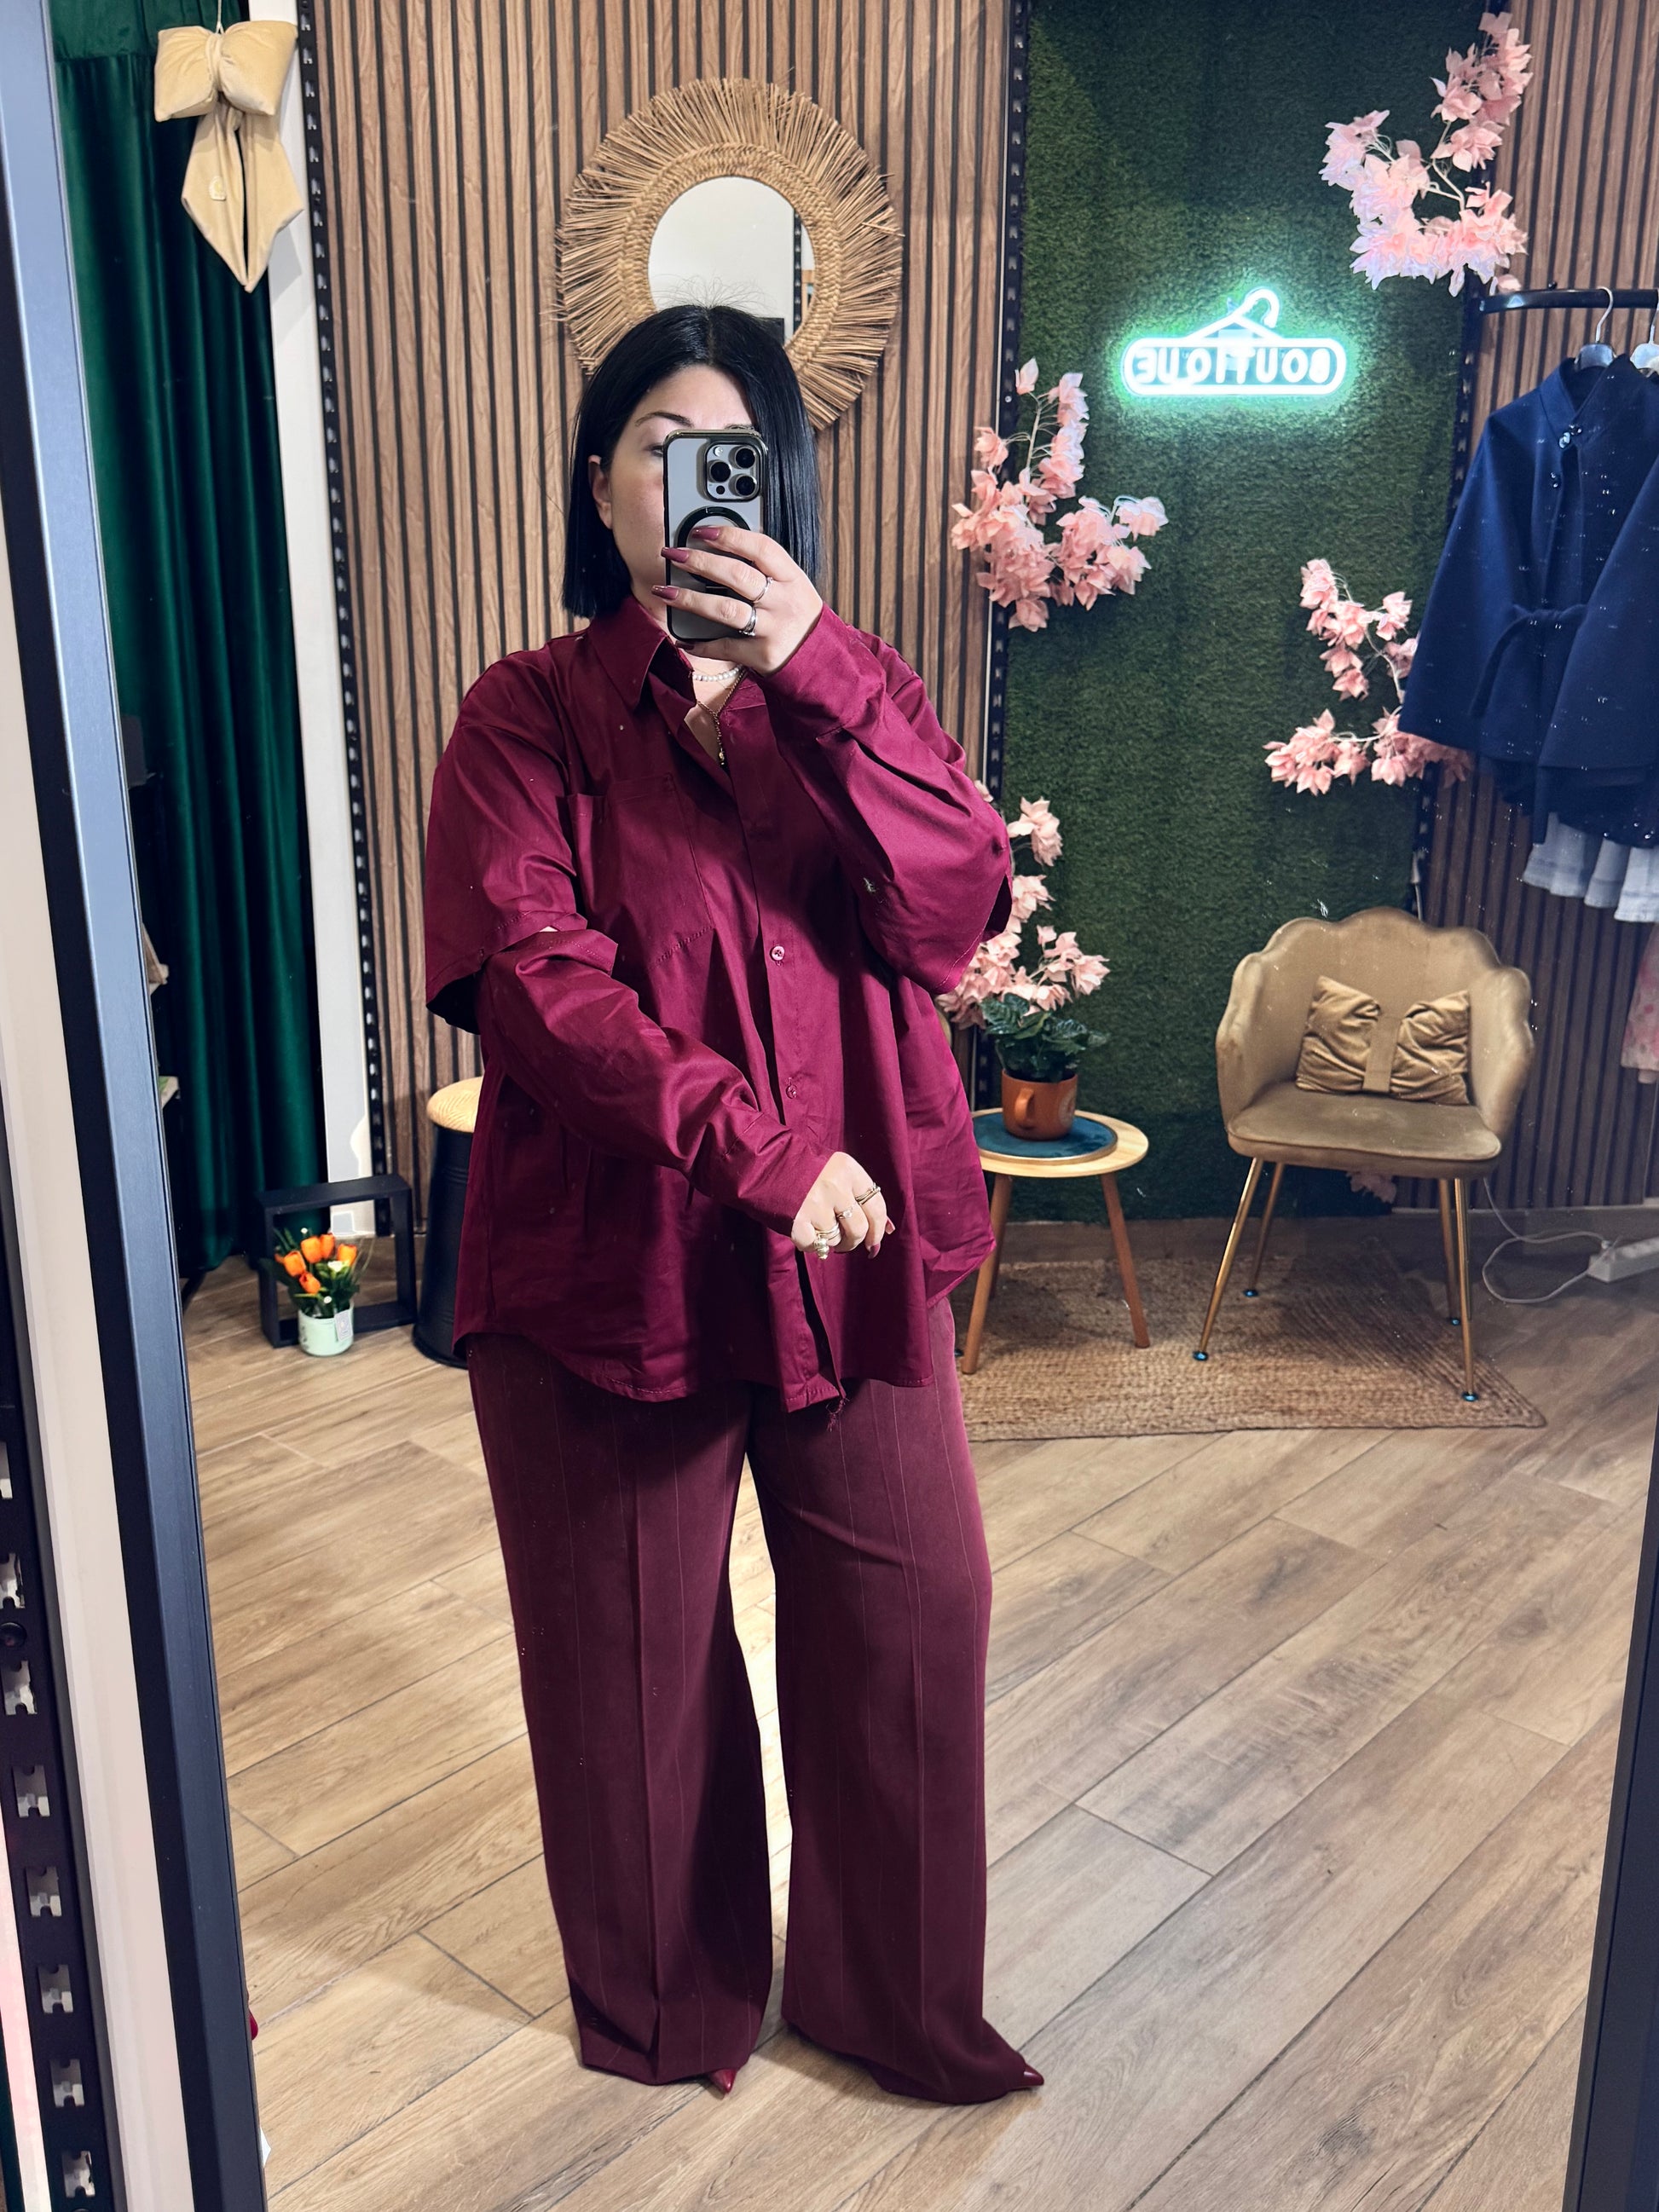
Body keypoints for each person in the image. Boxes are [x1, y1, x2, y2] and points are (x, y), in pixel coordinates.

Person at [423, 303, 1037, 2105]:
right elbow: (536, 981)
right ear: (598, 484)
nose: (694, 489)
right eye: (658, 449)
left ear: (780, 485)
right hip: (612, 1262)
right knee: (627, 1668)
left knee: (915, 1619)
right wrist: (756, 1150)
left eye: (735, 456)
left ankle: (892, 2003)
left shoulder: (858, 690)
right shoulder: (525, 715)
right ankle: (667, 2010)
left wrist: (813, 669)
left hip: (853, 1261)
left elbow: (951, 912)